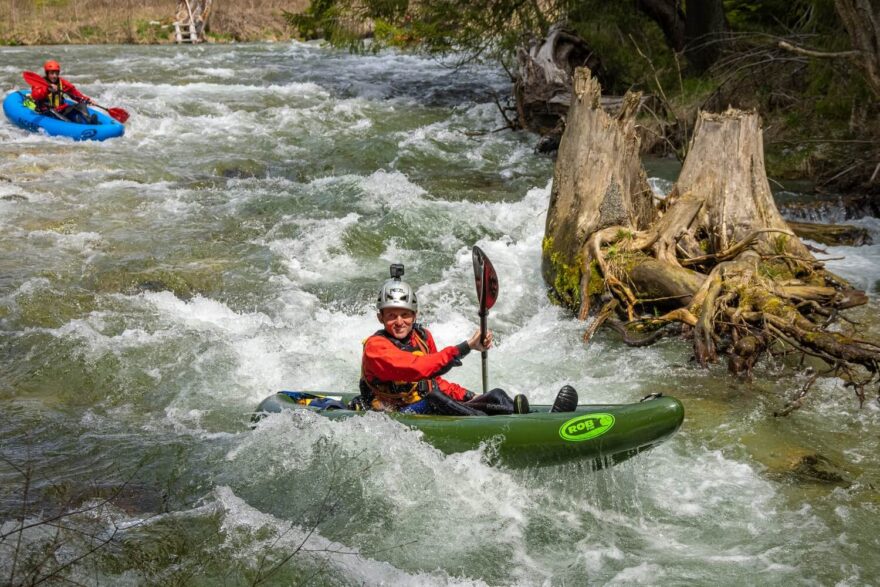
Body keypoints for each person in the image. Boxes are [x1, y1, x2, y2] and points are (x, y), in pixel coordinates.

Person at [357, 264, 578, 416]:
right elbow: (418, 369)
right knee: (435, 398)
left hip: (428, 404)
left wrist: (472, 396)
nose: (399, 321)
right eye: (391, 315)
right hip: (396, 414)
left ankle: (535, 416)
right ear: (380, 317)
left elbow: (436, 382)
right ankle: (484, 420)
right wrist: (465, 347)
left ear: (414, 315)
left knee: (495, 395)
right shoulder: (376, 348)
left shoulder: (422, 337)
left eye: (404, 314)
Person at [29, 60, 97, 125]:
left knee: (81, 105)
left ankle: (89, 121)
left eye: (56, 73)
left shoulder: (62, 83)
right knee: (62, 119)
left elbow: (75, 95)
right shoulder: (40, 83)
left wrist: (88, 100)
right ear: (47, 74)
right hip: (47, 111)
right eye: (52, 73)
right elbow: (36, 95)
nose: (54, 76)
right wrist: (48, 89)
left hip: (61, 109)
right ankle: (73, 127)